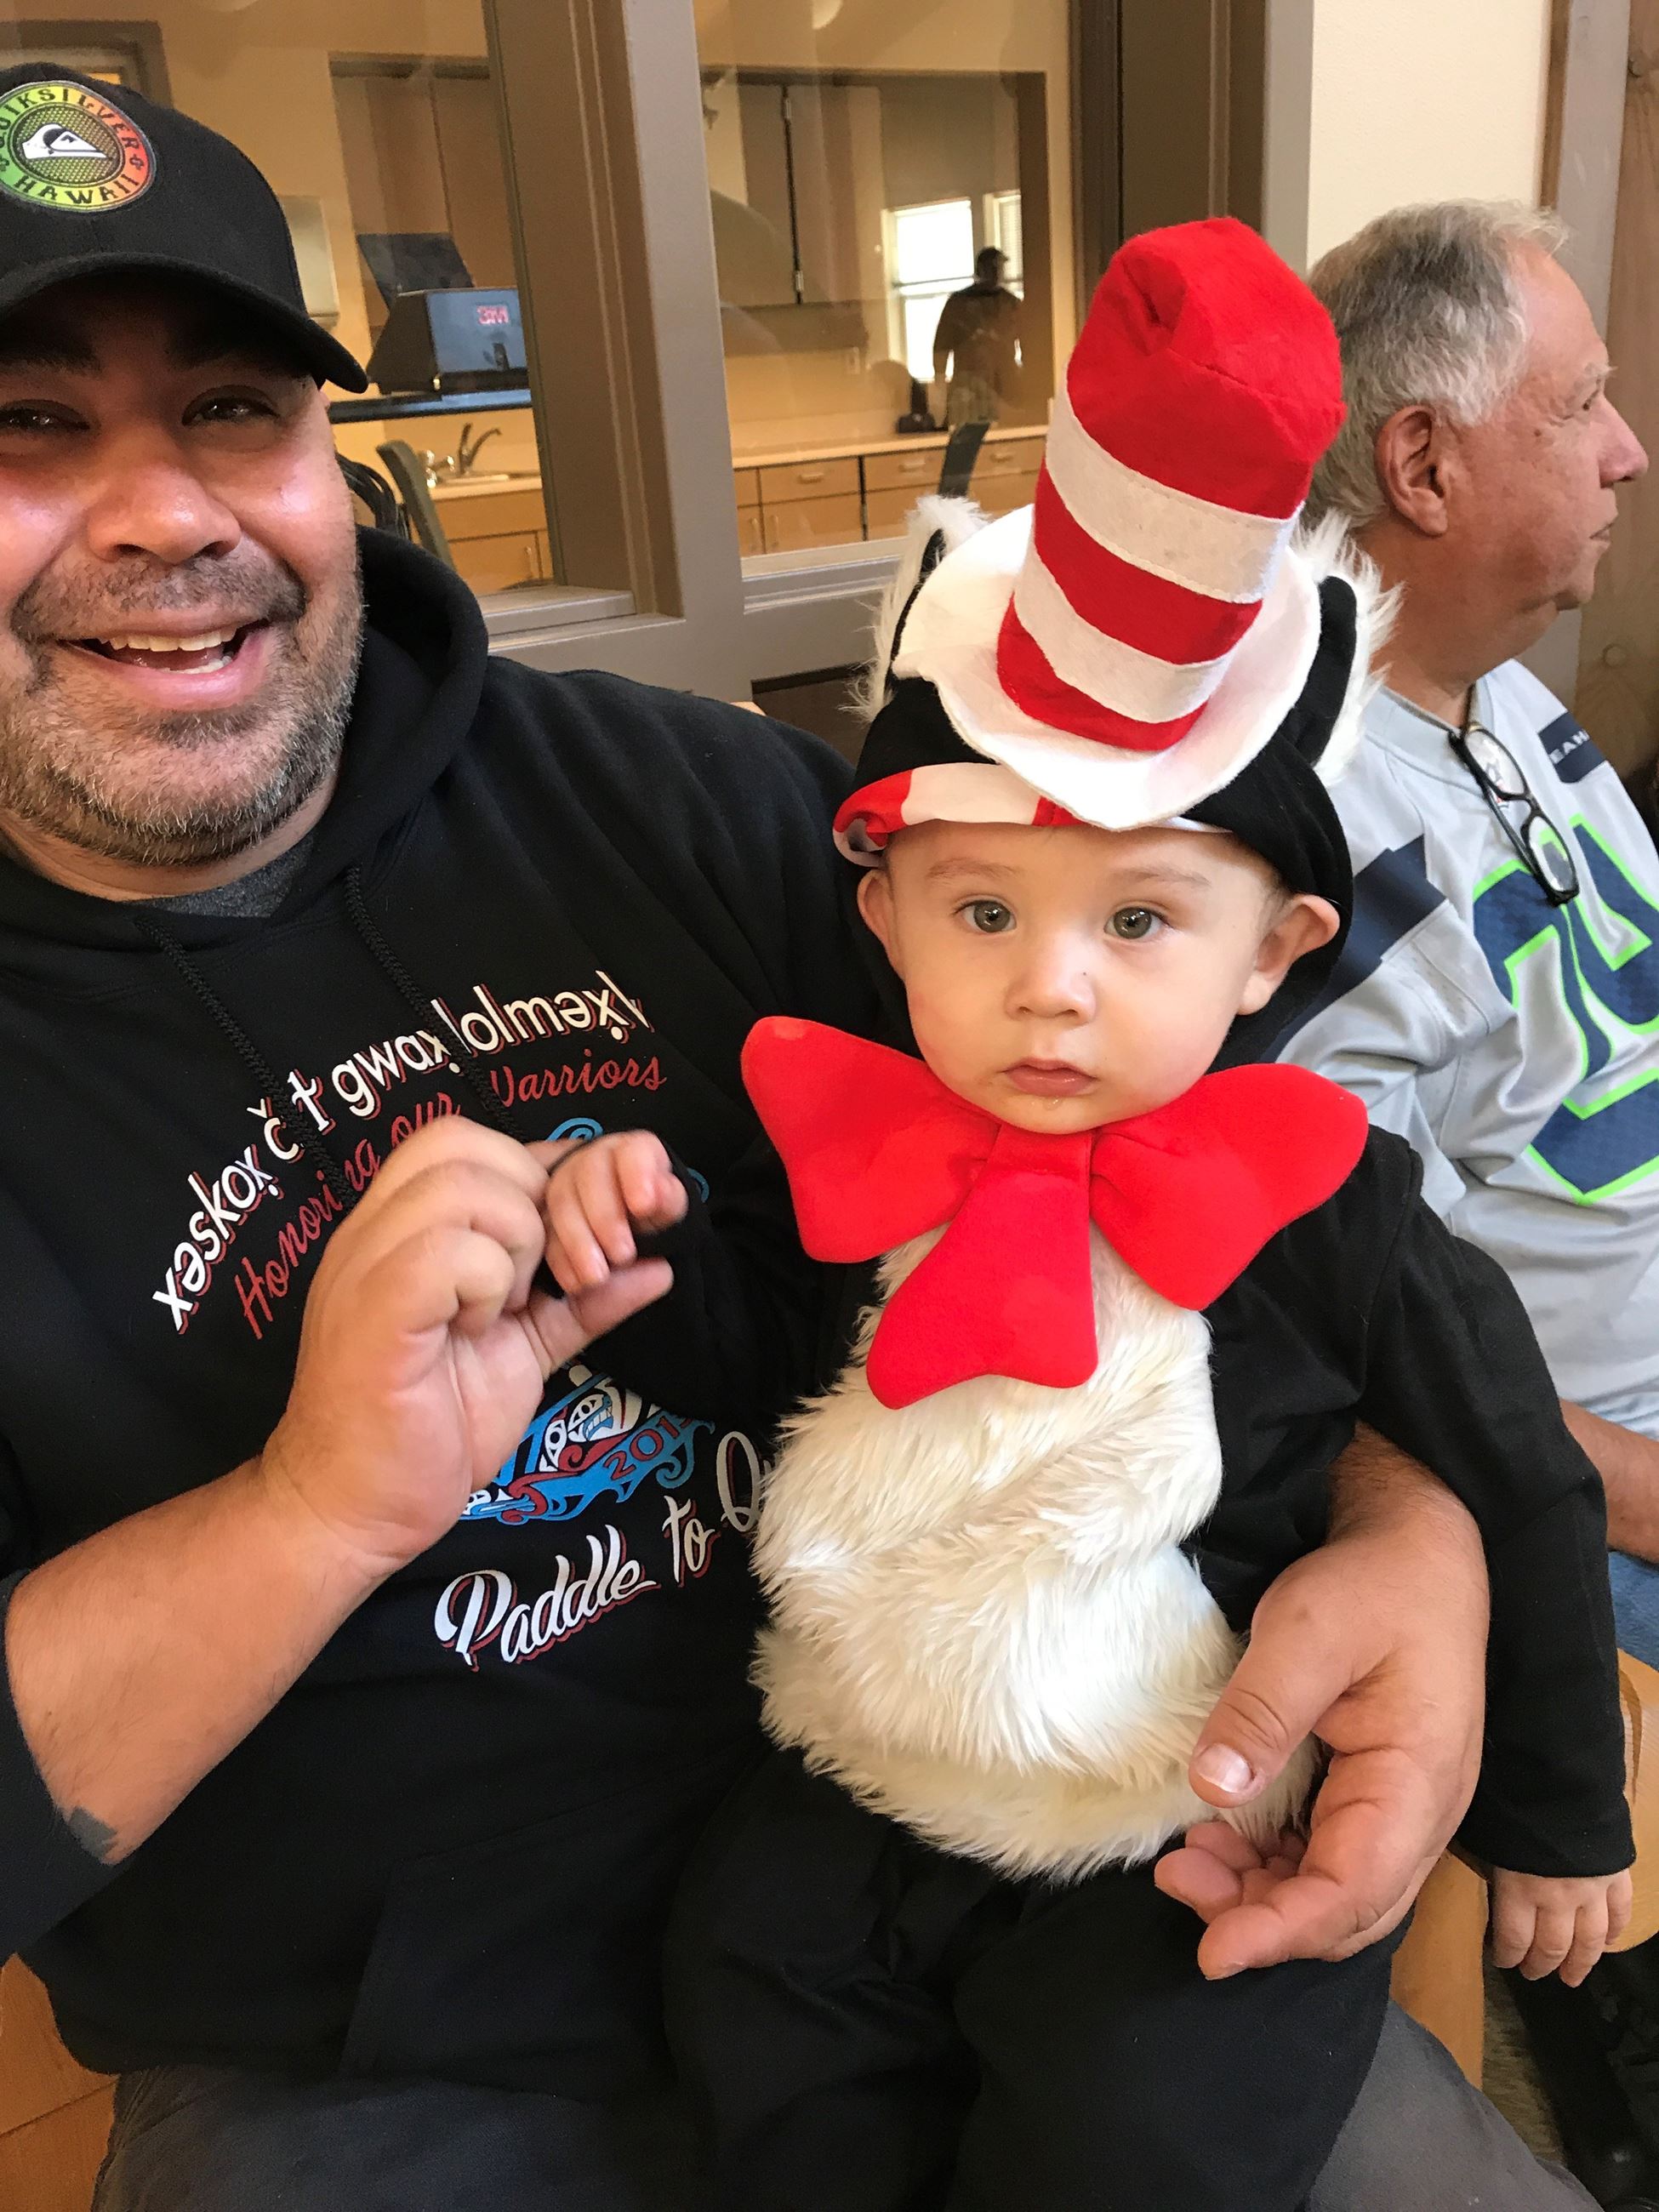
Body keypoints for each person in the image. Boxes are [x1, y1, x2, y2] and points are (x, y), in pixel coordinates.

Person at [0, 68, 1602, 2212]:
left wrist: (1412, 1523)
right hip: (401, 2052)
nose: (162, 513)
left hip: (1073, 1838)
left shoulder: (691, 803)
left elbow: (1194, 1167)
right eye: (28, 426)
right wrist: (311, 1506)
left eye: (229, 410)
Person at [537, 220, 1632, 2212]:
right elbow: (752, 1369)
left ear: (1268, 950)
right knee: (748, 2009)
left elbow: (1513, 1480)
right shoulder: (834, 1148)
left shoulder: (1329, 1198)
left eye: (1135, 919)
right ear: (881, 919)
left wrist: (1562, 1814)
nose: (1051, 984)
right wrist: (627, 1260)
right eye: (983, 915)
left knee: (1150, 2120)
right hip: (859, 1767)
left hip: (1176, 1797)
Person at [1274, 197, 1659, 2201]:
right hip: (1581, 1475)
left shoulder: (1506, 696)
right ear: (1423, 461)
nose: (1624, 450)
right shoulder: (1315, 834)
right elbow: (1376, 1363)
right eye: (1578, 404)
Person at [932, 245, 1022, 426]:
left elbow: (1029, 341)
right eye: (992, 267)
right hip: (969, 384)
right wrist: (939, 379)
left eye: (999, 267)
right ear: (981, 269)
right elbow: (942, 344)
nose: (997, 272)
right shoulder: (959, 304)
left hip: (1004, 383)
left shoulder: (1011, 303)